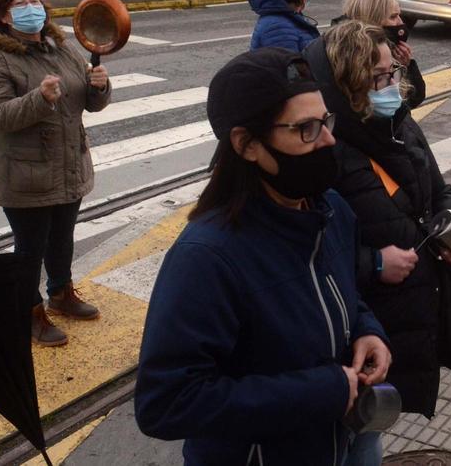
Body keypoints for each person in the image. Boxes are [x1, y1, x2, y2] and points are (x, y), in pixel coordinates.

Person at [135, 47, 391, 466]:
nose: (328, 139)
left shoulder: (330, 210)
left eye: (326, 121)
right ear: (248, 145)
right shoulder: (208, 257)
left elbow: (341, 291)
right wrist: (321, 392)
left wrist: (367, 329)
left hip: (342, 443)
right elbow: (166, 402)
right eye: (306, 129)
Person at [304, 22, 451, 463]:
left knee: (370, 433)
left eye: (392, 72)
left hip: (398, 321)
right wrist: (372, 264)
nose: (391, 85)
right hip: (351, 328)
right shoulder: (323, 152)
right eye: (379, 78)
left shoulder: (397, 120)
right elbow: (304, 257)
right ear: (348, 85)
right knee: (343, 440)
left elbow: (437, 187)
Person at [0, 0, 110, 347]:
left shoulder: (62, 48)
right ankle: (29, 311)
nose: (32, 7)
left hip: (68, 163)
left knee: (62, 238)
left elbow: (87, 103)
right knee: (30, 247)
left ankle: (61, 293)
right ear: (3, 15)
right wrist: (40, 98)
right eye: (20, 4)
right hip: (24, 172)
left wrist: (99, 87)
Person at [340, 0, 426, 108]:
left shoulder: (388, 47)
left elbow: (415, 97)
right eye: (393, 17)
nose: (400, 23)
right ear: (371, 19)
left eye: (399, 15)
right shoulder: (357, 56)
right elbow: (402, 103)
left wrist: (406, 66)